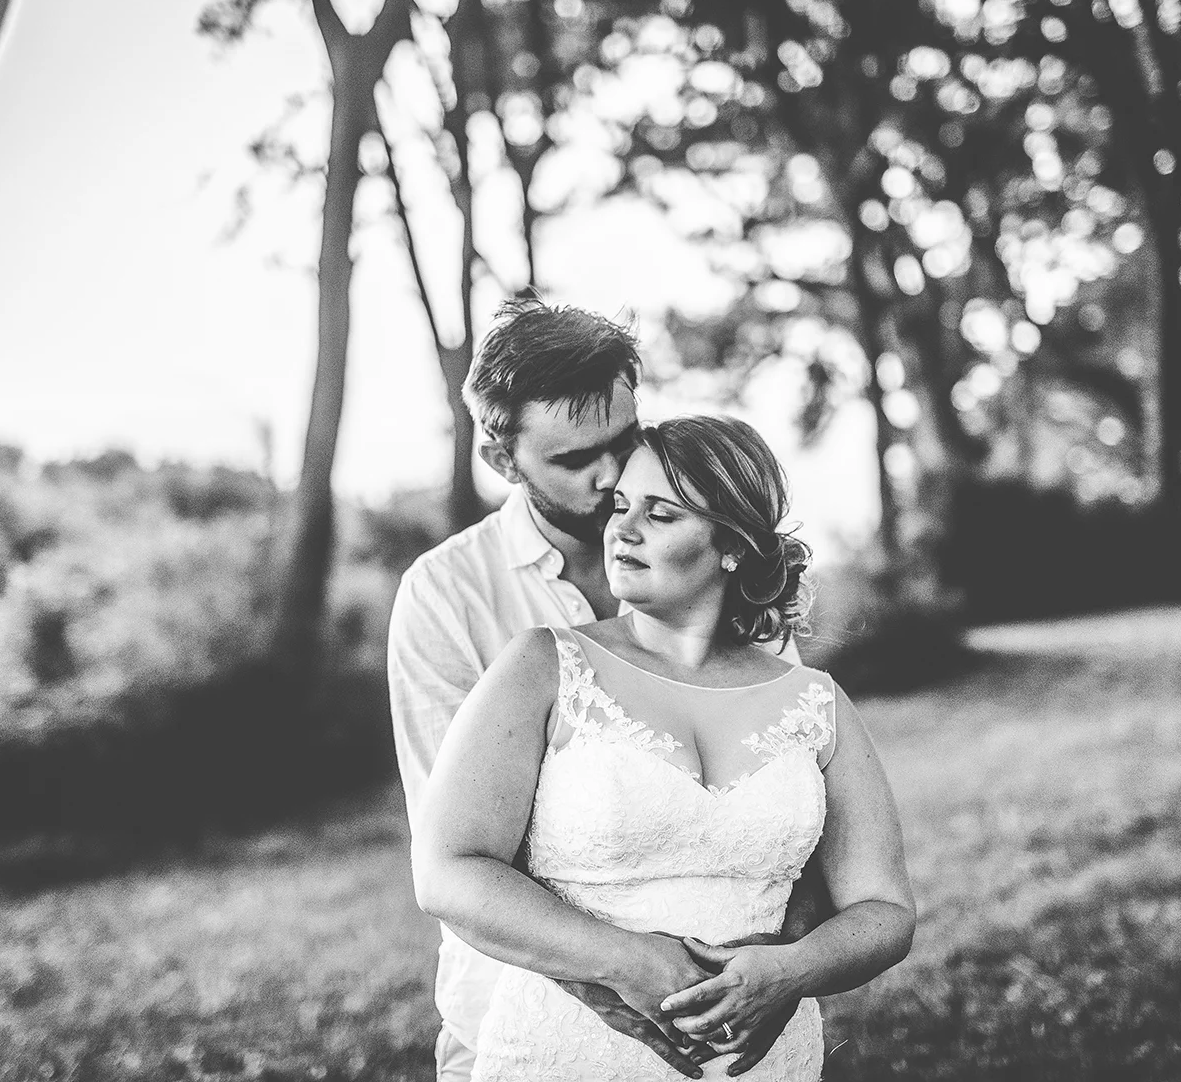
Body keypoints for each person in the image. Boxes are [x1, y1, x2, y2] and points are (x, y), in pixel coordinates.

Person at [413, 415, 917, 1081]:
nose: (622, 528)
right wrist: (629, 961)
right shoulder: (542, 668)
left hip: (762, 1061)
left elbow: (884, 910)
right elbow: (448, 869)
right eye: (620, 505)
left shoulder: (815, 702)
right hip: (564, 1054)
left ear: (731, 544)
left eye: (662, 513)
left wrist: (791, 972)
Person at [389, 299, 812, 1081]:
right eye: (576, 459)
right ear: (501, 457)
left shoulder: (714, 557)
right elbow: (460, 859)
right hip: (527, 1024)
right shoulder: (446, 598)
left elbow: (795, 791)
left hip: (737, 1031)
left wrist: (786, 968)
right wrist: (626, 980)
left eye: (624, 439)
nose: (613, 475)